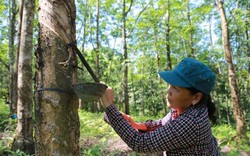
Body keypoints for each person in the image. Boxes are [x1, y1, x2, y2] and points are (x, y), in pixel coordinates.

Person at [101, 57, 220, 155]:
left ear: (196, 97)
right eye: (170, 85)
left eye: (176, 89)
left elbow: (141, 144)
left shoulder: (191, 122)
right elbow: (162, 124)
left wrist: (109, 106)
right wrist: (136, 125)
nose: (169, 91)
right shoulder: (183, 107)